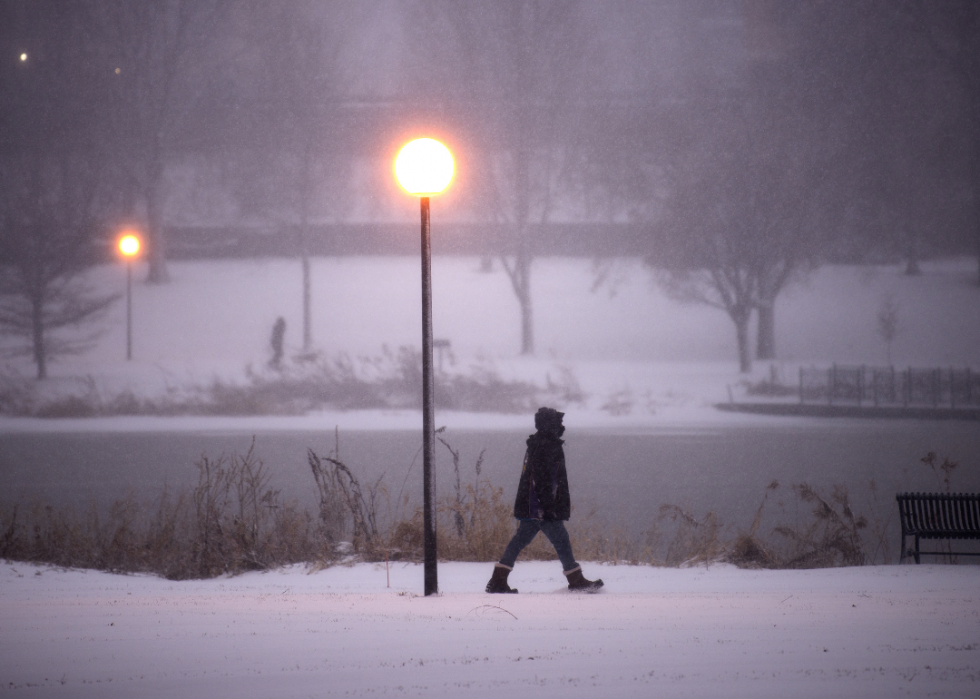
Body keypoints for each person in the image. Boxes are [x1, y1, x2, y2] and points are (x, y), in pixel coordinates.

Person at [485, 407, 603, 593]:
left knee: (520, 540)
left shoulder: (537, 443)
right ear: (551, 425)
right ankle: (575, 580)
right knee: (561, 539)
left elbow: (539, 478)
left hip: (531, 505)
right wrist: (548, 508)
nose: (561, 426)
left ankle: (498, 580)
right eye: (558, 422)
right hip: (539, 506)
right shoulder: (547, 445)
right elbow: (542, 479)